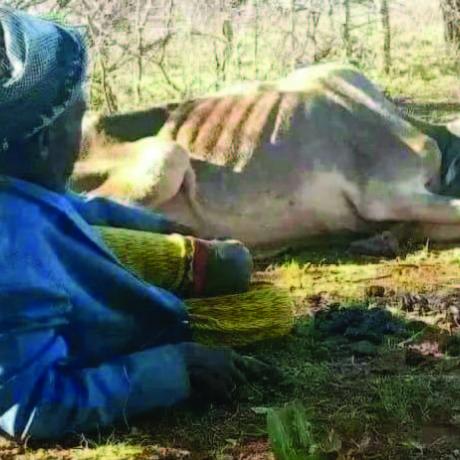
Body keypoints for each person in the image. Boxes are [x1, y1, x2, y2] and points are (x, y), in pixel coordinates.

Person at [0, 7, 273, 441]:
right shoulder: (11, 250)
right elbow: (32, 407)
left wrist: (166, 232)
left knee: (235, 272)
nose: (84, 138)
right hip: (103, 349)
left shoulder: (19, 184)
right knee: (268, 310)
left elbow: (79, 208)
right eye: (78, 119)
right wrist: (177, 368)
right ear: (46, 138)